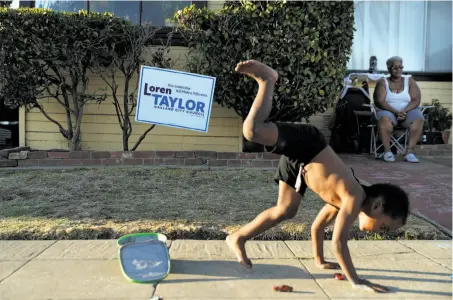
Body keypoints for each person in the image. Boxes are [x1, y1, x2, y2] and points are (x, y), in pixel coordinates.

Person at [226, 60, 410, 293]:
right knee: (252, 131)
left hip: (302, 165)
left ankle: (238, 238)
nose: (379, 234)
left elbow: (318, 227)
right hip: (308, 144)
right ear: (378, 205)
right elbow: (339, 242)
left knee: (286, 210)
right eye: (384, 227)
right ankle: (268, 80)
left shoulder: (344, 200)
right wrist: (356, 280)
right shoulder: (353, 197)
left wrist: (319, 260)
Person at [373, 56, 424, 163]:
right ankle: (387, 152)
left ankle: (410, 152)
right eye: (394, 67)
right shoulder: (383, 82)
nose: (398, 69)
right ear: (388, 69)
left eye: (400, 67)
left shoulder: (409, 81)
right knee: (384, 119)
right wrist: (395, 112)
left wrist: (404, 111)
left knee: (418, 118)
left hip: (407, 111)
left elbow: (416, 100)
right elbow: (380, 101)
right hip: (388, 111)